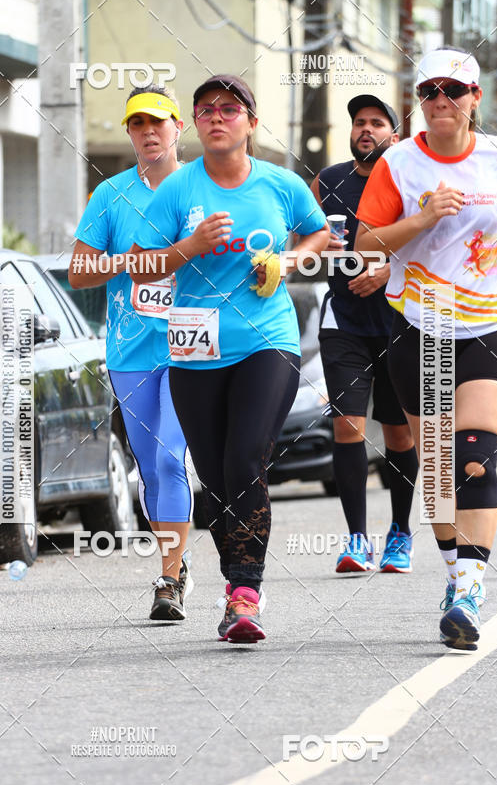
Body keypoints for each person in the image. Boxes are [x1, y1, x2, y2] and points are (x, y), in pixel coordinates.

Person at [130, 75, 330, 643]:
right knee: (216, 482)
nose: (218, 117)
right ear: (195, 123)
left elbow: (319, 236)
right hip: (195, 347)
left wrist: (288, 263)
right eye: (206, 110)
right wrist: (188, 249)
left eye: (230, 108)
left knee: (246, 460)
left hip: (267, 341)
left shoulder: (280, 183)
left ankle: (245, 593)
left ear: (251, 121)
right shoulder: (176, 190)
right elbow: (141, 266)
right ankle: (236, 586)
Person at [356, 48, 497, 649]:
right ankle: (455, 575)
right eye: (429, 90)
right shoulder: (398, 163)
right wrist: (421, 220)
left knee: (474, 451)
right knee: (436, 473)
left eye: (453, 90)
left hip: (493, 317)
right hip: (420, 323)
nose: (440, 100)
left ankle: (470, 590)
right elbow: (366, 245)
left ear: (475, 99)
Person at [69, 86, 195, 622]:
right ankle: (177, 565)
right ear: (128, 132)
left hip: (195, 342)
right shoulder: (111, 196)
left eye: (158, 123)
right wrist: (131, 261)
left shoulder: (206, 186)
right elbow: (79, 272)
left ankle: (168, 577)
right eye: (138, 124)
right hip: (131, 348)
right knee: (149, 465)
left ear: (177, 128)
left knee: (171, 457)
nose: (148, 132)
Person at [311, 95, 418, 574]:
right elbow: (305, 245)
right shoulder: (329, 181)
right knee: (348, 425)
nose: (366, 130)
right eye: (359, 123)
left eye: (377, 123)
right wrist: (319, 248)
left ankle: (399, 532)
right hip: (344, 323)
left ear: (393, 135)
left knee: (398, 433)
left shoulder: (409, 181)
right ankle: (356, 539)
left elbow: (431, 242)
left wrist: (386, 271)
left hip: (399, 320)